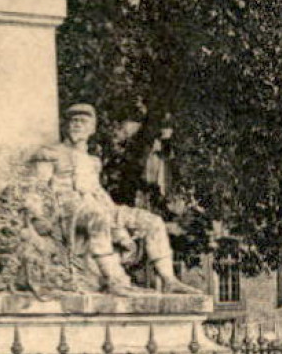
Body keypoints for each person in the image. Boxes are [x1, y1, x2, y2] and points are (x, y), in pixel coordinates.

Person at [29, 103, 201, 296]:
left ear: (92, 129)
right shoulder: (50, 154)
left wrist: (119, 226)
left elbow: (99, 193)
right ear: (65, 126)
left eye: (83, 122)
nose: (77, 125)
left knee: (152, 222)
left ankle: (169, 280)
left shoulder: (93, 162)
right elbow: (36, 188)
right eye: (73, 121)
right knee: (98, 217)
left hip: (98, 206)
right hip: (69, 208)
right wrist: (37, 216)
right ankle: (115, 281)